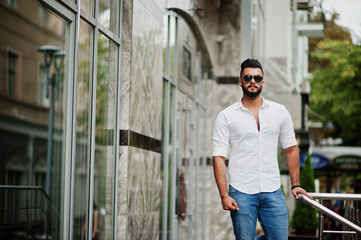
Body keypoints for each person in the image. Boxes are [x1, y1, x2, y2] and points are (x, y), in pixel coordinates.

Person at [212, 58, 312, 240]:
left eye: (257, 78)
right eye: (248, 77)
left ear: (263, 82)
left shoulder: (279, 111)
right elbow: (218, 156)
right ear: (240, 81)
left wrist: (295, 184)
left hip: (273, 190)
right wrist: (224, 194)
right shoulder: (226, 116)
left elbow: (291, 148)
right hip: (241, 191)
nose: (253, 81)